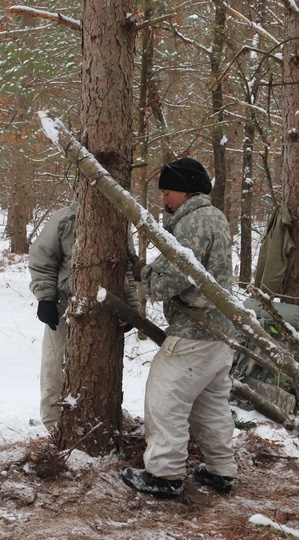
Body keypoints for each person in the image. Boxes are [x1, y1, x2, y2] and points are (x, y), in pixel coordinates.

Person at [121, 158, 237, 499]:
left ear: (186, 190)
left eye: (168, 192)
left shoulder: (193, 223)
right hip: (219, 334)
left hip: (194, 333)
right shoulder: (214, 216)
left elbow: (170, 279)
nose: (164, 200)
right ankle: (220, 471)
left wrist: (144, 274)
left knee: (164, 399)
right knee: (210, 406)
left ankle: (164, 474)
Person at [29, 201, 138, 433]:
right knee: (55, 365)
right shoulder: (65, 219)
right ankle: (54, 425)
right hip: (63, 307)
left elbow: (127, 269)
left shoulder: (120, 222)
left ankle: (97, 422)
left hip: (107, 310)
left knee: (98, 371)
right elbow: (42, 259)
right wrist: (46, 298)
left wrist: (131, 306)